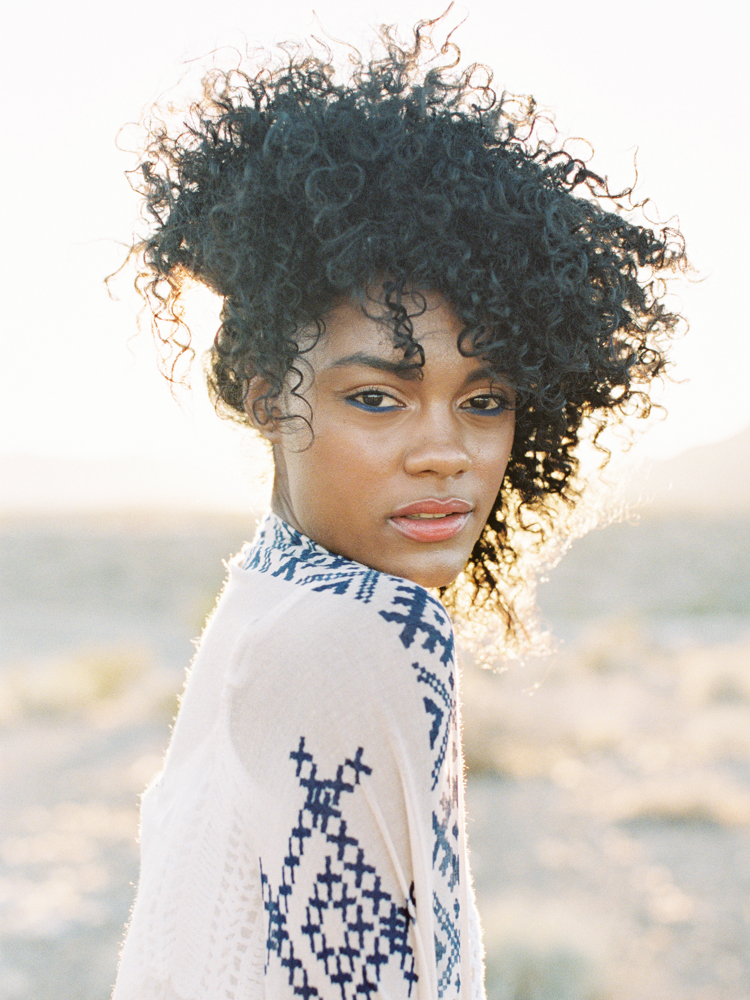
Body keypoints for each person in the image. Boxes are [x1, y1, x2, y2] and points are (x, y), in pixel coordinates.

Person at [111, 16, 685, 1000]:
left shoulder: (267, 600)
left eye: (486, 401)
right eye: (375, 397)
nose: (445, 452)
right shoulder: (361, 634)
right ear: (265, 395)